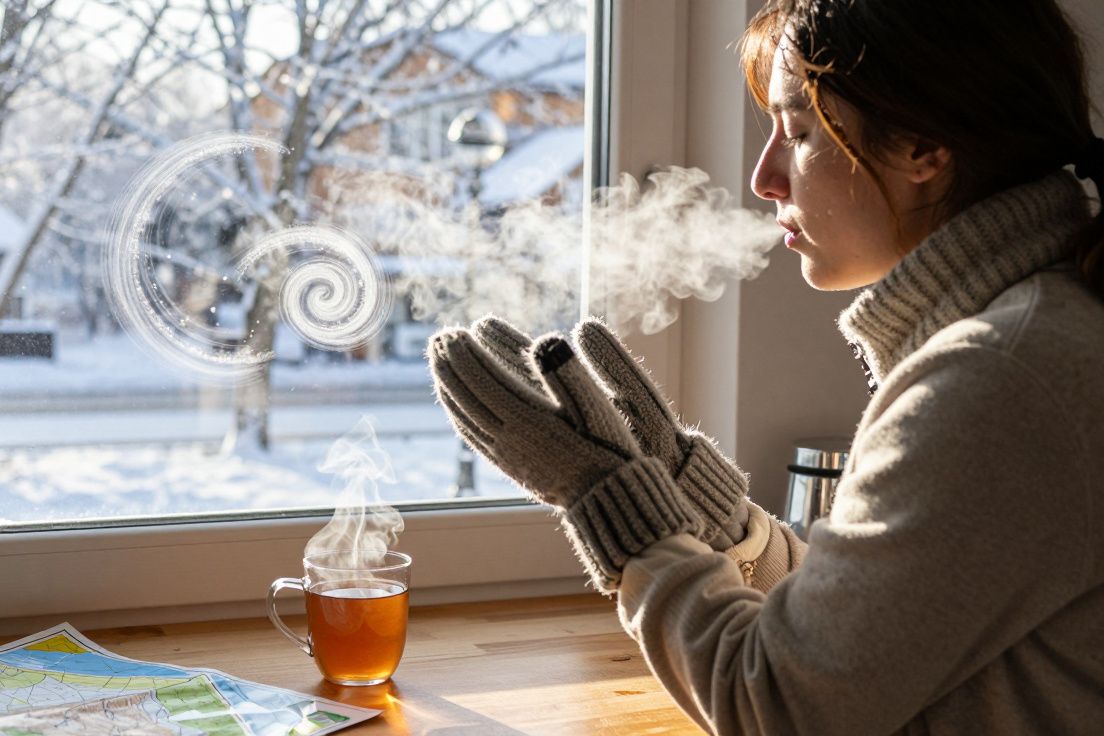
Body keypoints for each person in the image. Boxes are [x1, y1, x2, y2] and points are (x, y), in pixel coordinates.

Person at [427, 0, 1104, 733]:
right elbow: (875, 628)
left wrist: (606, 500)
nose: (765, 177)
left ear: (923, 147)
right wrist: (718, 524)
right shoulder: (1033, 334)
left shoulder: (995, 379)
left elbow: (773, 705)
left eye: (800, 131)